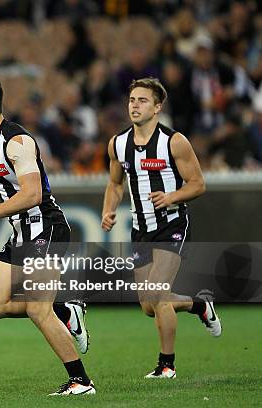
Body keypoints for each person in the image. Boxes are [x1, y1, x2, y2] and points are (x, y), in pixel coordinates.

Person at [0, 75, 95, 396]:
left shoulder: (18, 142)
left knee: (36, 308)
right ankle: (66, 311)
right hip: (22, 233)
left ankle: (81, 381)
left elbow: (33, 195)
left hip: (46, 228)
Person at [101, 77, 222, 379]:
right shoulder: (118, 143)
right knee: (148, 305)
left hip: (171, 225)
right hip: (141, 229)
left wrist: (172, 197)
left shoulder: (174, 142)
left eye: (142, 100)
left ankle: (166, 365)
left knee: (157, 293)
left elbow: (198, 184)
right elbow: (115, 183)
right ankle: (199, 305)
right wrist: (109, 209)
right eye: (132, 100)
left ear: (157, 107)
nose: (135, 105)